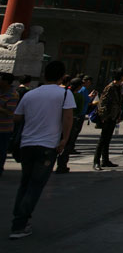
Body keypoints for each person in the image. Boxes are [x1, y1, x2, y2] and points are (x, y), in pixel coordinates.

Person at [9, 60, 75, 240]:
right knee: (36, 185)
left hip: (27, 144)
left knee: (25, 182)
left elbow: (16, 117)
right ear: (62, 76)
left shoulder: (30, 94)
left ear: (44, 75)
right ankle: (20, 224)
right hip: (48, 146)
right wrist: (64, 139)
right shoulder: (64, 94)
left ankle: (19, 220)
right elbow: (68, 118)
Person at [93, 68, 123, 171]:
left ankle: (105, 160)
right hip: (107, 117)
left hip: (113, 116)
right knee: (102, 139)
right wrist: (103, 116)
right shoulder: (110, 87)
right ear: (121, 77)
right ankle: (96, 162)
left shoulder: (118, 87)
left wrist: (118, 115)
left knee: (107, 139)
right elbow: (102, 102)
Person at [54, 76, 84, 173]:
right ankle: (62, 164)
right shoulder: (78, 96)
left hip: (58, 119)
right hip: (72, 119)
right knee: (67, 142)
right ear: (79, 87)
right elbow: (80, 110)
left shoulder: (64, 93)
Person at [0, 72, 19, 177]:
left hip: (4, 128)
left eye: (1, 80)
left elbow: (11, 112)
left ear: (6, 82)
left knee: (1, 150)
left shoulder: (13, 95)